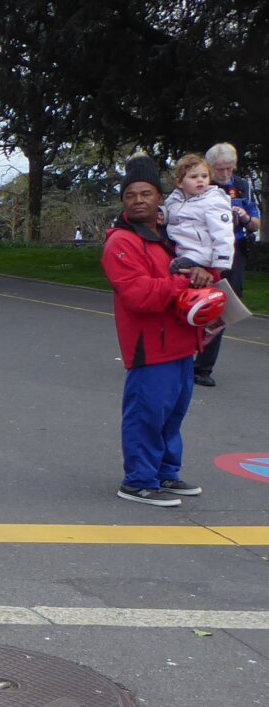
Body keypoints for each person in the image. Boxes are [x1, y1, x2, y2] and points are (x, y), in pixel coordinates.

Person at [101, 155, 220, 508]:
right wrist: (182, 280)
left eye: (146, 193)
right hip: (149, 347)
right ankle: (138, 480)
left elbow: (196, 276)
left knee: (172, 414)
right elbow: (139, 295)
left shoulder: (172, 238)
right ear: (124, 202)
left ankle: (165, 472)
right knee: (147, 414)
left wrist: (203, 277)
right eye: (130, 195)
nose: (138, 200)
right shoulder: (121, 243)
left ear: (159, 199)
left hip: (182, 344)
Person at [194, 142, 260, 386]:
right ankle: (180, 358)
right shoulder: (202, 185)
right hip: (205, 251)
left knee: (223, 308)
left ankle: (203, 367)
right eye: (220, 169)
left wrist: (244, 218)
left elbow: (256, 223)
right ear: (211, 168)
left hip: (235, 252)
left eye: (229, 169)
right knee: (196, 303)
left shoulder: (242, 186)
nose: (224, 174)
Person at [161, 153, 235, 275]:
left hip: (201, 254)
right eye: (194, 177)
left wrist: (221, 262)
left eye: (204, 176)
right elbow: (170, 212)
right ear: (179, 183)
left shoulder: (213, 201)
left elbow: (223, 232)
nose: (200, 180)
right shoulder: (174, 199)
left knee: (176, 268)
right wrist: (161, 214)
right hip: (182, 249)